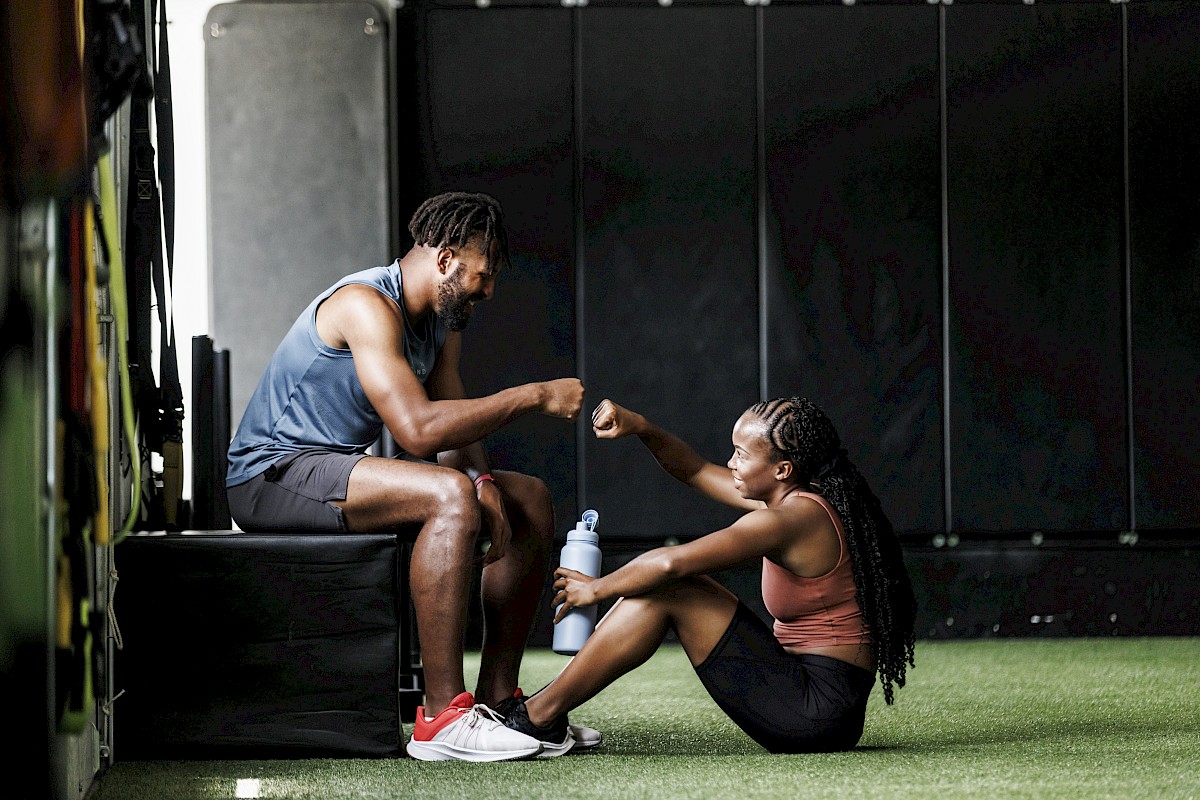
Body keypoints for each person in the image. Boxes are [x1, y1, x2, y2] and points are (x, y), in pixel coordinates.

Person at [225, 191, 590, 762]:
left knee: (529, 499)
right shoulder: (364, 305)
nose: (489, 291)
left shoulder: (442, 322)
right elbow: (418, 430)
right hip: (272, 473)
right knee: (449, 494)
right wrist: (534, 395)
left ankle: (498, 701)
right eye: (482, 276)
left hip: (339, 471)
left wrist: (487, 484)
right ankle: (442, 719)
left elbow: (453, 420)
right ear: (445, 259)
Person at [500, 396, 917, 754]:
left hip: (816, 710)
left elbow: (671, 563)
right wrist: (641, 427)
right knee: (670, 587)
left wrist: (596, 589)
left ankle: (536, 718)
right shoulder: (793, 503)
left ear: (782, 470)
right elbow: (695, 470)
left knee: (672, 588)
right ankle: (542, 715)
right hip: (816, 696)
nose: (732, 462)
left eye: (743, 455)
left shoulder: (790, 520)